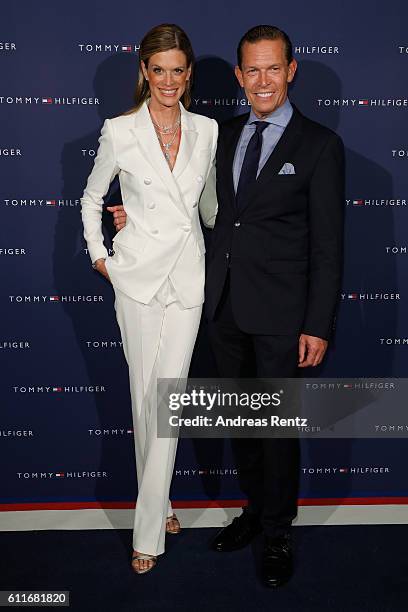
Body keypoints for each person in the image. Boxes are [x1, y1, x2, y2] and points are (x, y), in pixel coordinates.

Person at [111, 24, 344, 588]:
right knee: (242, 424)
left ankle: (278, 531)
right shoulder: (220, 134)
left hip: (284, 318)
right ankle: (253, 511)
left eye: (273, 69)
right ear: (238, 77)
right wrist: (135, 219)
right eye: (251, 71)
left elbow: (328, 245)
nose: (262, 81)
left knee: (276, 429)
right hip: (222, 307)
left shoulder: (319, 145)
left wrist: (317, 324)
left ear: (290, 71)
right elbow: (197, 209)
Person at [80, 23, 218, 574]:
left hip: (186, 279)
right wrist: (100, 257)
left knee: (167, 402)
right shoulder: (119, 130)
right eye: (157, 70)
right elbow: (92, 199)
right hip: (135, 279)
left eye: (177, 70)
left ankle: (148, 529)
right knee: (146, 400)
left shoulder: (207, 129)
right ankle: (159, 508)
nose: (168, 80)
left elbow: (207, 206)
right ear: (144, 71)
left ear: (188, 75)